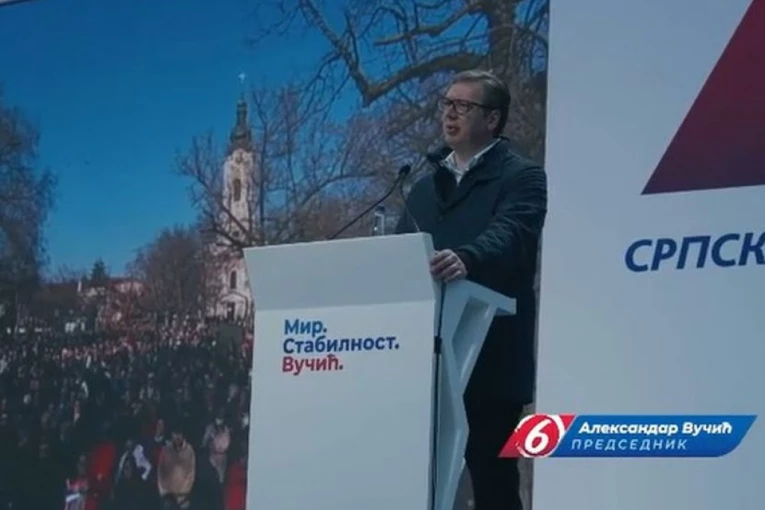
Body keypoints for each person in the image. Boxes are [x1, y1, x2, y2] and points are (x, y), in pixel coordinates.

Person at [396, 69, 547, 510]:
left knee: (492, 481)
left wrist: (468, 257)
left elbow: (512, 232)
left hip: (491, 354)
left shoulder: (522, 177)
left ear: (492, 119)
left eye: (463, 106)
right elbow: (404, 254)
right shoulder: (424, 187)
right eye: (446, 103)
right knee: (414, 477)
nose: (449, 114)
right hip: (424, 358)